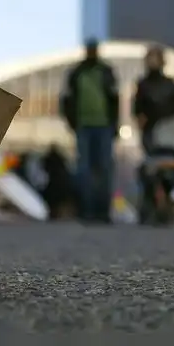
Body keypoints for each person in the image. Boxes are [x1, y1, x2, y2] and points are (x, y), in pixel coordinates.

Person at [59, 39, 119, 224]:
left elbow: (114, 99)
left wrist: (114, 124)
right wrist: (72, 121)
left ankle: (103, 211)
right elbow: (66, 98)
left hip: (104, 126)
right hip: (83, 126)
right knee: (84, 169)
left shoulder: (106, 72)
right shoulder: (77, 73)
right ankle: (86, 209)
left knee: (104, 168)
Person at [132, 45, 174, 155]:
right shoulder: (143, 85)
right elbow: (137, 106)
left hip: (168, 129)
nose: (153, 62)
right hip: (150, 129)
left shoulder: (170, 84)